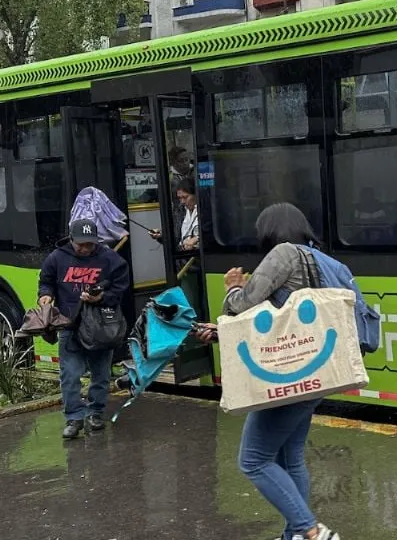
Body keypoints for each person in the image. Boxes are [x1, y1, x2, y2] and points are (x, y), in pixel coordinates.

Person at [192, 203, 341, 540]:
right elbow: (277, 322)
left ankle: (312, 531)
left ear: (270, 230)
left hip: (287, 373)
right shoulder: (322, 259)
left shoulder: (284, 254)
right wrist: (220, 332)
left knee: (254, 460)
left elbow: (242, 305)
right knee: (291, 458)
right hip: (311, 372)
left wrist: (232, 286)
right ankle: (296, 535)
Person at [38, 220, 130, 440]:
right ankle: (74, 417)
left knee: (101, 374)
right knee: (70, 375)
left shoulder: (110, 259)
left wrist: (102, 298)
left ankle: (95, 413)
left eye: (89, 244)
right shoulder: (57, 257)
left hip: (100, 327)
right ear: (71, 239)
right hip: (70, 325)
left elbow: (120, 288)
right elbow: (46, 280)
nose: (85, 249)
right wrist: (45, 295)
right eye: (80, 244)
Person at [150, 177, 200, 251]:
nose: (182, 201)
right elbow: (175, 238)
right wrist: (161, 236)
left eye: (185, 197)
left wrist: (197, 239)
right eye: (179, 198)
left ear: (196, 195)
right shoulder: (180, 212)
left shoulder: (205, 211)